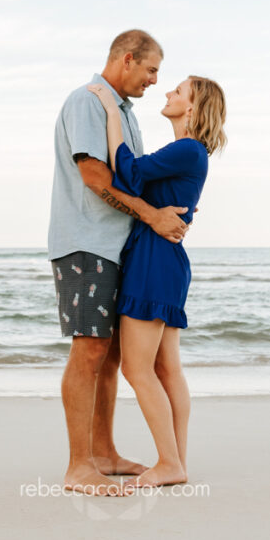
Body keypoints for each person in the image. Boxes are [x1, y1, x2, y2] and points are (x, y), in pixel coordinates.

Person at [48, 30, 191, 496]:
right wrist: (152, 216)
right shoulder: (88, 102)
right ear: (127, 59)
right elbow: (95, 176)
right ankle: (78, 465)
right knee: (88, 349)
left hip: (117, 247)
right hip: (87, 243)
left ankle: (104, 452)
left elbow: (133, 173)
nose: (153, 80)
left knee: (108, 356)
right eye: (150, 70)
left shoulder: (123, 113)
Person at [87, 75, 227, 489]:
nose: (168, 92)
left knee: (136, 367)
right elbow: (145, 184)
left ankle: (169, 462)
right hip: (164, 259)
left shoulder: (186, 148)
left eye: (178, 92)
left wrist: (112, 111)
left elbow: (127, 172)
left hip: (154, 259)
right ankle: (177, 461)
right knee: (167, 369)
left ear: (193, 108)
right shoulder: (189, 153)